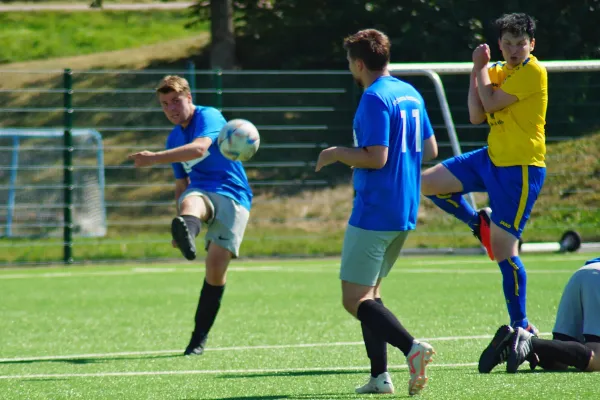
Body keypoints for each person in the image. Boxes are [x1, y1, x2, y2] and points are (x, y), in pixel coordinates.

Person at [315, 29, 439, 396]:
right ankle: (379, 377)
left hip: (375, 210)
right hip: (405, 207)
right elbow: (429, 149)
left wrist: (337, 152)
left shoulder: (373, 97)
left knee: (354, 300)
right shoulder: (410, 92)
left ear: (358, 63)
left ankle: (412, 348)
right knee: (371, 293)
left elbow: (376, 156)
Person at [420, 13, 548, 334]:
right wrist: (478, 71)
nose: (514, 49)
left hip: (520, 169)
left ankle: (521, 326)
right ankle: (478, 223)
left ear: (532, 44)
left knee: (505, 252)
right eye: (507, 43)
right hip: (490, 159)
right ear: (499, 45)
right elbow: (476, 116)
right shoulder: (494, 71)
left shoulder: (533, 71)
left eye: (521, 43)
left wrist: (479, 70)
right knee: (429, 184)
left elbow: (489, 104)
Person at [128, 75, 252, 356]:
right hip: (201, 191)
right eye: (164, 104)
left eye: (175, 101)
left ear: (189, 98)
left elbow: (199, 148)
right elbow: (181, 185)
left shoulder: (209, 115)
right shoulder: (174, 137)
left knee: (215, 269)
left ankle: (199, 337)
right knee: (192, 199)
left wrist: (152, 158)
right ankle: (188, 229)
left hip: (233, 195)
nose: (171, 108)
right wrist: (180, 225)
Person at [479, 257, 600, 373]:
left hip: (581, 274)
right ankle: (530, 342)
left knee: (560, 360)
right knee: (597, 356)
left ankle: (512, 341)